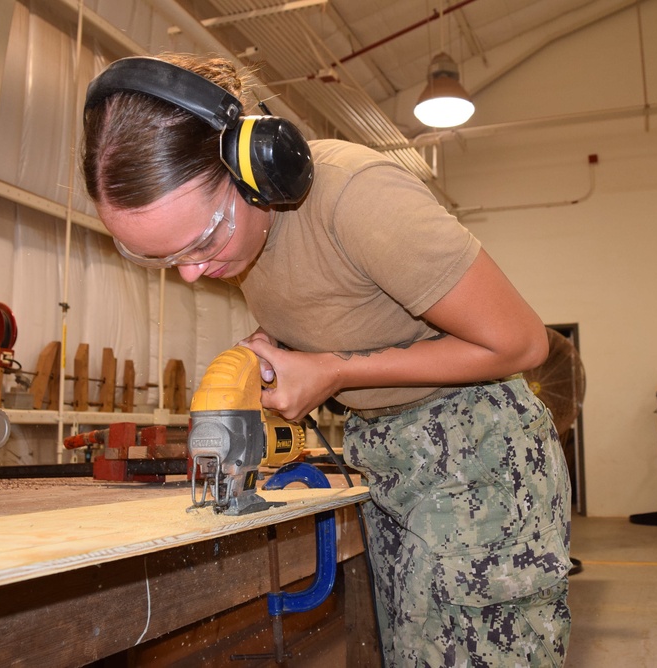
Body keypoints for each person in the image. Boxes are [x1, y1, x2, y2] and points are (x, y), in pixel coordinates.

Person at [83, 52, 572, 667]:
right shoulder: (239, 239)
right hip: (386, 457)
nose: (191, 272)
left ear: (257, 169)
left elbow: (522, 343)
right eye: (160, 257)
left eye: (203, 241)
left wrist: (335, 372)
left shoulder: (356, 198)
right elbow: (327, 300)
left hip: (478, 455)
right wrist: (273, 351)